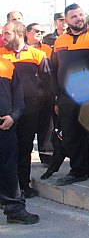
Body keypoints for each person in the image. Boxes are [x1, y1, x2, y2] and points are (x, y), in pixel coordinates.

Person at [51, 4, 89, 191]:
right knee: (71, 135)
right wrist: (57, 95)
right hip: (67, 97)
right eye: (74, 16)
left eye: (81, 14)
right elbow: (54, 70)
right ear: (66, 20)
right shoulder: (60, 41)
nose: (79, 18)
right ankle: (78, 170)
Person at [0, 21, 50, 198]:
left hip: (30, 109)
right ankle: (8, 189)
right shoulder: (1, 55)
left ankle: (23, 185)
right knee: (6, 150)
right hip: (7, 110)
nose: (3, 37)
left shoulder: (37, 55)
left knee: (25, 147)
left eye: (7, 33)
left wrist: (38, 100)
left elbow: (46, 81)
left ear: (19, 35)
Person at [0, 56, 39, 224]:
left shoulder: (7, 65)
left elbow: (18, 96)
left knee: (8, 169)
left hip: (5, 127)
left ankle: (14, 209)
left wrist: (14, 116)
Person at [25, 23, 54, 166]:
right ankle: (24, 159)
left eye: (42, 31)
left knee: (46, 128)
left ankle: (46, 158)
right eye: (36, 31)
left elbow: (50, 71)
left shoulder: (47, 49)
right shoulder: (20, 50)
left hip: (45, 95)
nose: (40, 33)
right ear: (27, 32)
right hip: (27, 97)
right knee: (27, 129)